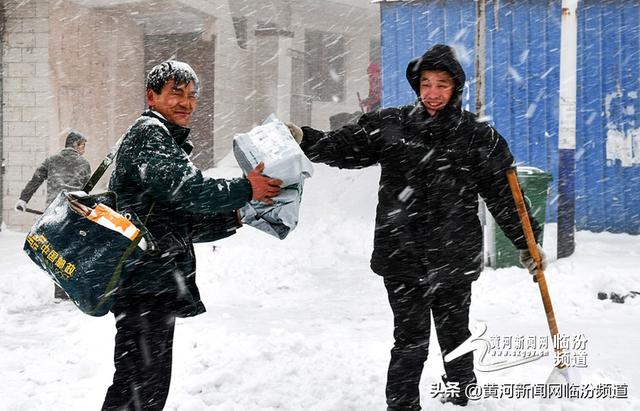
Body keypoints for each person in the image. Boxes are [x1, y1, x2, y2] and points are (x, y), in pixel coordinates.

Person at [287, 44, 548, 409]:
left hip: (453, 257)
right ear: (417, 86)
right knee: (410, 340)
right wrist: (305, 138)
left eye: (442, 84)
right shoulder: (391, 125)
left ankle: (462, 394)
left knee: (456, 333)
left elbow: (506, 198)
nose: (433, 93)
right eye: (426, 84)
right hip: (402, 254)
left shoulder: (477, 137)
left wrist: (527, 243)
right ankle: (403, 405)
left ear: (456, 87)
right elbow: (344, 147)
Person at [102, 60, 282, 410]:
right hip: (143, 284)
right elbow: (187, 189)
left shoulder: (162, 138)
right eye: (175, 94)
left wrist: (233, 216)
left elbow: (177, 220)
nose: (186, 102)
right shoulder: (150, 133)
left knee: (142, 383)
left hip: (151, 282)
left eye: (191, 95)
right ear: (151, 97)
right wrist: (246, 188)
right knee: (139, 385)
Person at [16, 130, 91, 299]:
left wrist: (23, 199)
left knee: (57, 252)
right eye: (83, 146)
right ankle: (70, 292)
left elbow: (35, 180)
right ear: (75, 145)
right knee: (72, 253)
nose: (84, 150)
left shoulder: (51, 160)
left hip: (54, 213)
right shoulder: (84, 164)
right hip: (74, 213)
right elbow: (86, 192)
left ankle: (59, 292)